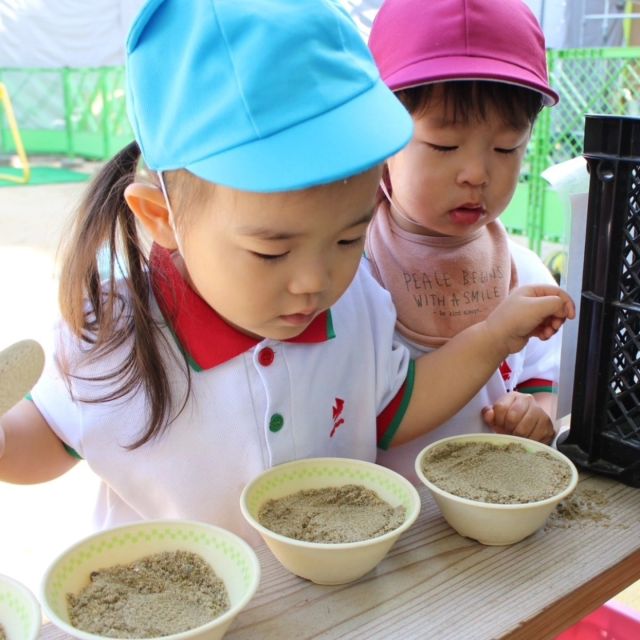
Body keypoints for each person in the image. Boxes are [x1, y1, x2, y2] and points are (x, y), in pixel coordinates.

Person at [0, 0, 573, 544]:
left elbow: (396, 411)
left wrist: (496, 334)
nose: (314, 281)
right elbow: (44, 441)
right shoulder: (114, 331)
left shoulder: (359, 306)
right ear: (161, 217)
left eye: (349, 237)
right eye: (272, 251)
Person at [366, 0, 566, 482]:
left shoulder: (524, 275)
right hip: (393, 527)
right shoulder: (356, 275)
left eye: (506, 148)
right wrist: (494, 335)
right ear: (379, 135)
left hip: (492, 513)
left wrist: (536, 413)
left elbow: (544, 382)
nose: (477, 173)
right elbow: (377, 419)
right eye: (444, 146)